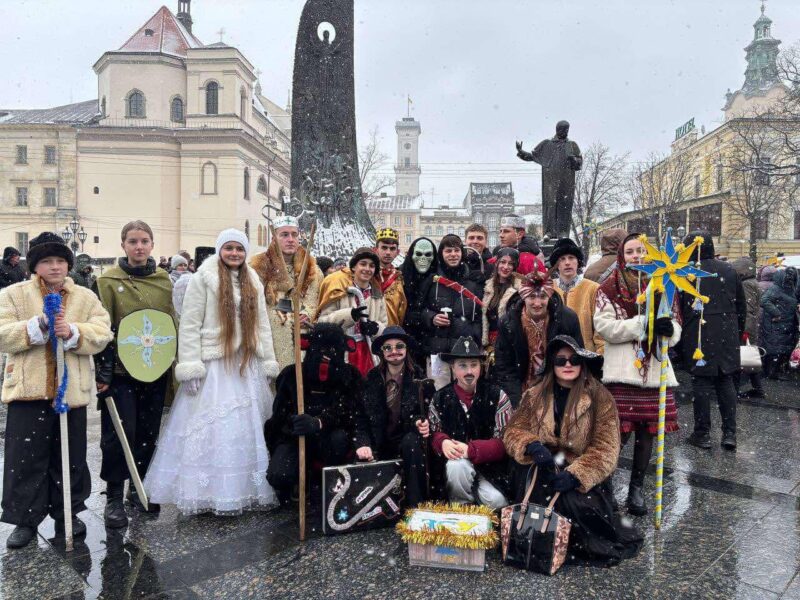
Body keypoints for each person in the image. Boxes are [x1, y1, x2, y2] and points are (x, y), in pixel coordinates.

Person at [145, 229, 279, 515]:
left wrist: (268, 361)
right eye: (229, 248)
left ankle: (242, 489)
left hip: (246, 362)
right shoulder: (203, 278)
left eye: (239, 249)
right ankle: (207, 491)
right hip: (215, 363)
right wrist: (190, 366)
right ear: (220, 250)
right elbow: (190, 324)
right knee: (213, 429)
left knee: (245, 430)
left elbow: (262, 325)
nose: (234, 253)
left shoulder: (253, 280)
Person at [0, 232, 112, 549]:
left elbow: (102, 331)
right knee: (25, 458)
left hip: (70, 392)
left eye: (60, 261)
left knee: (70, 456)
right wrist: (37, 327)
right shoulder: (13, 295)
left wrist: (74, 332)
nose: (55, 267)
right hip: (28, 390)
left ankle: (68, 512)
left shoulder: (84, 297)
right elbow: (2, 332)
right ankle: (25, 518)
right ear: (35, 265)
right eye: (47, 261)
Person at [503, 335, 642, 566]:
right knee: (536, 499)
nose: (568, 365)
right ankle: (539, 545)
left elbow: (606, 447)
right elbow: (513, 431)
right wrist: (531, 445)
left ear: (582, 363)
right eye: (561, 360)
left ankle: (565, 546)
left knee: (577, 505)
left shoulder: (600, 397)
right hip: (541, 466)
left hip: (581, 466)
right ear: (552, 364)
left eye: (574, 360)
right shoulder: (534, 394)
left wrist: (576, 475)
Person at [94, 220, 176, 528]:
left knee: (147, 431)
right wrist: (102, 370)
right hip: (120, 370)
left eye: (144, 241)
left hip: (155, 367)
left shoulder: (164, 281)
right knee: (119, 432)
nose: (139, 247)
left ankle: (139, 488)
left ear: (152, 244)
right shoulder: (107, 281)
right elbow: (100, 327)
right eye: (132, 241)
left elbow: (170, 323)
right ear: (123, 245)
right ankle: (114, 496)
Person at [594, 233, 681, 516]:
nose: (636, 256)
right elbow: (605, 327)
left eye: (641, 251)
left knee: (647, 434)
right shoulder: (608, 287)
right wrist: (642, 325)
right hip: (622, 371)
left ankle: (636, 489)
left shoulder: (664, 285)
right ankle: (605, 485)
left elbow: (676, 323)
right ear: (622, 255)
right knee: (617, 434)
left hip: (655, 370)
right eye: (630, 252)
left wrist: (669, 330)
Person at [265, 323, 360, 504]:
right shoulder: (292, 375)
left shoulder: (350, 376)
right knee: (279, 474)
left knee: (339, 440)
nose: (327, 355)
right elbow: (279, 414)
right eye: (321, 349)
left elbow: (350, 410)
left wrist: (319, 422)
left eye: (333, 349)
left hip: (330, 436)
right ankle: (299, 478)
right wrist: (295, 422)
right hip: (296, 438)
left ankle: (329, 481)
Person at [428, 336, 512, 509]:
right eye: (462, 365)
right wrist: (442, 442)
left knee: (497, 502)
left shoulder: (498, 395)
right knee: (457, 467)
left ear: (481, 367)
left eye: (474, 365)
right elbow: (433, 432)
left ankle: (477, 498)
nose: (469, 371)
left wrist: (472, 450)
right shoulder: (440, 398)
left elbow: (506, 442)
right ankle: (461, 507)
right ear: (452, 367)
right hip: (455, 468)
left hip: (489, 468)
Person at [680, 232, 745, 451]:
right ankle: (730, 434)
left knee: (701, 381)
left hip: (699, 331)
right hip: (727, 332)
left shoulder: (687, 272)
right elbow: (741, 305)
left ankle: (702, 433)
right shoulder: (729, 270)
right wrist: (736, 333)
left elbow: (680, 306)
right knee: (725, 380)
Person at [353, 326, 432, 507]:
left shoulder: (420, 378)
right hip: (378, 441)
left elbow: (427, 412)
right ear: (382, 351)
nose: (394, 351)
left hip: (407, 441)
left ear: (406, 349)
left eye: (399, 346)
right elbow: (361, 418)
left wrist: (422, 423)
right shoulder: (371, 379)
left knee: (412, 442)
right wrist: (363, 443)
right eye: (388, 347)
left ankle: (415, 506)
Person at [493, 265, 584, 407]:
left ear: (549, 296)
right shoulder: (509, 322)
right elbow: (505, 366)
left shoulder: (567, 319)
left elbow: (577, 358)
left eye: (542, 296)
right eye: (531, 297)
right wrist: (517, 401)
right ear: (523, 297)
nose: (537, 303)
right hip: (522, 388)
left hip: (558, 387)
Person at [250, 216, 322, 371]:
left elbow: (314, 299)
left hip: (303, 336)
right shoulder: (257, 268)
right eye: (284, 235)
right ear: (273, 238)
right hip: (271, 336)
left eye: (294, 235)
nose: (290, 239)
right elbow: (257, 303)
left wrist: (307, 313)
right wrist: (283, 314)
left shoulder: (312, 268)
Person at [421, 234, 484, 389]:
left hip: (465, 351)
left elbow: (479, 317)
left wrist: (473, 337)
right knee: (438, 392)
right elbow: (421, 309)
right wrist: (431, 318)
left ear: (462, 252)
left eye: (456, 250)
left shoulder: (473, 282)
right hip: (437, 350)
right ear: (441, 254)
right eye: (448, 251)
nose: (453, 254)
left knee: (466, 393)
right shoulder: (432, 280)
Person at [316, 247, 387, 377]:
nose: (367, 269)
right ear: (354, 267)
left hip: (369, 355)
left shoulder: (377, 295)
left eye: (372, 266)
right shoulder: (340, 291)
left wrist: (376, 328)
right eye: (363, 264)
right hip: (343, 352)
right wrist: (349, 315)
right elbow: (322, 323)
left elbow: (384, 326)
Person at [550, 238, 603, 353]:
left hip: (586, 353)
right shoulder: (549, 289)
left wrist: (599, 356)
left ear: (578, 261)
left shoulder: (593, 289)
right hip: (556, 355)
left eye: (571, 258)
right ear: (556, 264)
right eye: (562, 259)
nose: (567, 263)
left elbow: (600, 329)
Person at [401, 237, 439, 367]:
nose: (423, 259)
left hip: (432, 342)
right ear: (411, 255)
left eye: (428, 255)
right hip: (406, 339)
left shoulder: (439, 278)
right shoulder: (400, 277)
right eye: (418, 254)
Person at [731, 257, 764, 399]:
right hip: (752, 326)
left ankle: (735, 390)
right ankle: (757, 389)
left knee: (742, 358)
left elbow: (748, 310)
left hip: (747, 328)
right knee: (750, 358)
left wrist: (745, 330)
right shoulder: (752, 282)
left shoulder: (746, 285)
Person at [481, 247, 522, 354]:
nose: (506, 267)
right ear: (497, 263)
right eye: (503, 262)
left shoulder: (520, 290)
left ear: (514, 267)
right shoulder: (487, 286)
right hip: (488, 345)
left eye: (510, 264)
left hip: (509, 344)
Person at [760, 268, 798, 380]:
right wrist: (777, 313)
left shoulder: (789, 289)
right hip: (776, 324)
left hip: (785, 323)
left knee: (780, 347)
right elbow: (764, 301)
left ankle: (773, 371)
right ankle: (771, 372)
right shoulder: (776, 288)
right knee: (775, 348)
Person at [374, 228, 408, 327]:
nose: (388, 252)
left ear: (397, 252)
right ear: (376, 250)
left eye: (392, 249)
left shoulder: (400, 279)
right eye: (384, 248)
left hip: (391, 332)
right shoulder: (367, 276)